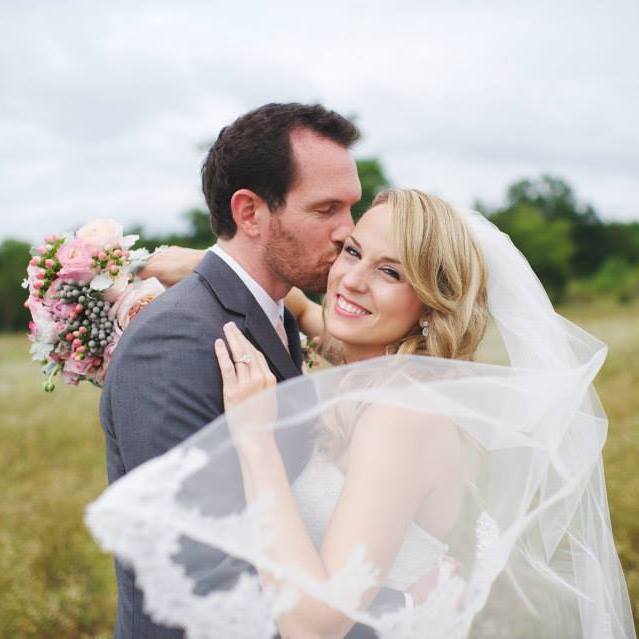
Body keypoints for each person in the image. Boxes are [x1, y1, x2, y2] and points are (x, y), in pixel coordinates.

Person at [89, 188, 636, 638]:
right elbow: (319, 318)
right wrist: (216, 269)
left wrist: (255, 439)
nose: (351, 279)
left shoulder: (402, 414)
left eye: (391, 273)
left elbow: (316, 623)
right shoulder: (378, 372)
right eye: (352, 252)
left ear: (431, 304)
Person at [99, 101, 379, 639]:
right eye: (326, 210)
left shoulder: (273, 312)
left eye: (351, 208)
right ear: (250, 213)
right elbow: (196, 567)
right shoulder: (175, 339)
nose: (347, 232)